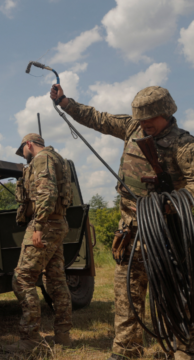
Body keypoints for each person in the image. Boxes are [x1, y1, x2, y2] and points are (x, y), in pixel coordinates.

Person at [50, 84, 194, 360]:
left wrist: (170, 202)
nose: (143, 124)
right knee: (126, 295)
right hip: (130, 232)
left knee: (178, 295)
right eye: (140, 118)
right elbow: (99, 119)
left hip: (168, 235)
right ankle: (127, 350)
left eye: (149, 119)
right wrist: (67, 103)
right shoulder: (132, 128)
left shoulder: (184, 145)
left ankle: (185, 350)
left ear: (166, 113)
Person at [3, 133, 73, 353]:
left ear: (29, 144)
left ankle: (29, 340)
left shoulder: (41, 159)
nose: (23, 154)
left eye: (23, 149)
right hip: (58, 222)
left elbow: (47, 192)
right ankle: (63, 335)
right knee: (56, 280)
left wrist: (38, 226)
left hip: (46, 224)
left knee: (22, 279)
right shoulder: (58, 158)